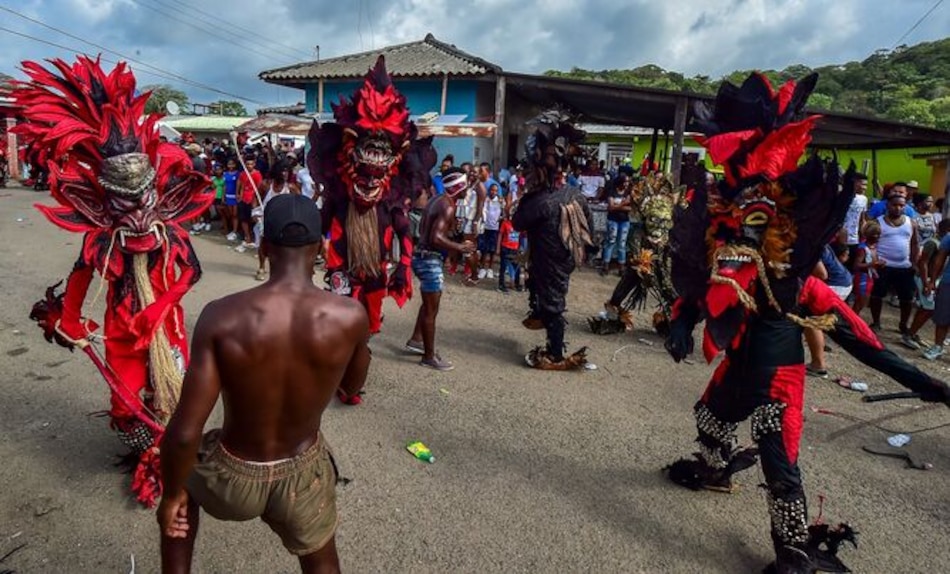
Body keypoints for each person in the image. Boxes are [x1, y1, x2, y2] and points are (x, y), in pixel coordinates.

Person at [662, 72, 950, 574]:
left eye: (754, 222)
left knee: (780, 466)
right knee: (709, 419)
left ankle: (792, 550)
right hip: (736, 370)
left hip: (779, 383)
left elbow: (865, 345)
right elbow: (704, 294)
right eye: (734, 222)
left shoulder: (801, 288)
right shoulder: (733, 260)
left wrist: (927, 383)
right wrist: (682, 322)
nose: (738, 233)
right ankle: (713, 470)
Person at [158, 194, 370, 574]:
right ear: (321, 247)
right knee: (322, 560)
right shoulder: (350, 315)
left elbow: (185, 434)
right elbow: (352, 388)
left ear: (264, 245)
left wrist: (170, 495)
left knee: (181, 493)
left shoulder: (221, 316)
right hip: (302, 475)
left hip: (232, 477)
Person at [513, 109, 593, 370]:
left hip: (551, 261)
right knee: (547, 297)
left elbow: (518, 222)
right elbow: (590, 231)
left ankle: (556, 354)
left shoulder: (542, 200)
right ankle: (543, 324)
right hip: (558, 260)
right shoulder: (575, 194)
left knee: (553, 305)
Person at [404, 168, 475, 370]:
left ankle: (417, 340)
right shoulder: (448, 205)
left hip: (421, 256)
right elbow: (436, 237)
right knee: (431, 310)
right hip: (429, 260)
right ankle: (429, 357)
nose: (467, 191)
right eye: (465, 186)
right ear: (458, 186)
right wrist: (460, 247)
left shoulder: (438, 199)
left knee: (428, 305)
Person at [868, 192, 919, 334]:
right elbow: (870, 243)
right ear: (887, 205)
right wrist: (874, 261)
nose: (898, 208)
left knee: (907, 298)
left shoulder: (911, 223)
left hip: (904, 266)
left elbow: (915, 243)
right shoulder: (878, 222)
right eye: (894, 205)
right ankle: (876, 322)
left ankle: (903, 324)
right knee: (877, 295)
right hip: (883, 266)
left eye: (901, 205)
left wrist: (914, 263)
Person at [905, 219, 950, 350]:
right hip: (925, 278)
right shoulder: (933, 243)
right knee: (927, 308)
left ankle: (913, 334)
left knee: (929, 308)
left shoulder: (942, 243)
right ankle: (909, 334)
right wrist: (927, 282)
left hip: (934, 280)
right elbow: (923, 262)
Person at [600, 174, 632, 276]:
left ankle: (621, 267)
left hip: (624, 221)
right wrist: (623, 204)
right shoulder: (612, 192)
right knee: (611, 241)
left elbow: (630, 208)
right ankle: (606, 265)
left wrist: (616, 206)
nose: (627, 184)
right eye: (625, 182)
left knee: (622, 244)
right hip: (613, 220)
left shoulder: (628, 193)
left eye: (628, 182)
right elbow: (610, 208)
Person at [851, 220, 882, 315]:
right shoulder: (863, 248)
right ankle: (851, 321)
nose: (878, 236)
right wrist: (872, 264)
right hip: (862, 277)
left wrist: (879, 264)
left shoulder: (873, 247)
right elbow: (856, 265)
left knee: (863, 302)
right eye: (876, 234)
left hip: (869, 277)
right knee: (860, 302)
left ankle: (853, 321)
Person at [478, 183, 504, 279]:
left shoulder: (500, 201)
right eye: (492, 190)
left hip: (495, 228)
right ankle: (482, 268)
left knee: (492, 249)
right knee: (484, 248)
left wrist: (500, 218)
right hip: (485, 226)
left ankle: (490, 269)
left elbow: (503, 213)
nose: (494, 192)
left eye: (496, 190)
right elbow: (482, 210)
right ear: (489, 190)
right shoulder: (486, 199)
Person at [496, 210, 523, 293]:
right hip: (505, 247)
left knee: (517, 267)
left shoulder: (519, 225)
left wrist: (520, 248)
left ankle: (517, 284)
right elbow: (500, 235)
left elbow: (521, 236)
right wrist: (498, 248)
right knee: (503, 267)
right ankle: (501, 285)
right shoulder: (505, 223)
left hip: (515, 249)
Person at [222, 159, 241, 240]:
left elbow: (239, 185)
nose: (230, 166)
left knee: (235, 214)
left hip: (235, 196)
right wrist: (223, 196)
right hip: (228, 196)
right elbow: (225, 185)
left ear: (235, 165)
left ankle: (235, 231)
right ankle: (232, 229)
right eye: (229, 164)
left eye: (232, 164)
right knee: (230, 214)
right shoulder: (225, 174)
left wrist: (238, 194)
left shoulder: (237, 174)